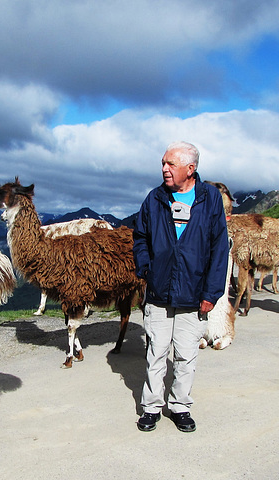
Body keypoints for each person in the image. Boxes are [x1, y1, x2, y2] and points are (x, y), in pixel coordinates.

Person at [132, 141, 229, 433]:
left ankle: (180, 407)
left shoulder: (210, 199)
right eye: (163, 162)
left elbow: (219, 249)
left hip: (194, 294)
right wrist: (146, 268)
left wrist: (211, 294)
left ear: (191, 168)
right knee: (156, 353)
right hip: (159, 293)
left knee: (186, 355)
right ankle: (151, 408)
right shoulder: (154, 198)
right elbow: (140, 237)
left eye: (170, 164)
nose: (164, 169)